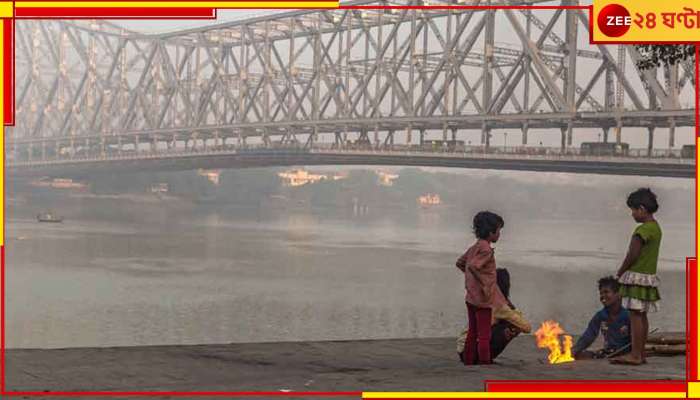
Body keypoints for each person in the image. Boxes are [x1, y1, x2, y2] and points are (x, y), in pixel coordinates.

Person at [611, 188, 662, 365]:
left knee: (635, 316)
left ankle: (635, 355)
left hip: (637, 276)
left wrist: (620, 272)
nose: (632, 214)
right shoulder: (656, 228)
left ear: (641, 208)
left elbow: (632, 255)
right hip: (648, 276)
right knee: (642, 315)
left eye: (633, 210)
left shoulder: (643, 230)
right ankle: (641, 354)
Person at [455, 211, 508, 365]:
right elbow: (473, 266)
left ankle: (469, 360)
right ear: (491, 232)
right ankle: (485, 362)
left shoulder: (474, 247)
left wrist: (471, 280)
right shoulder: (486, 250)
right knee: (484, 334)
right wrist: (483, 283)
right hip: (483, 299)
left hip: (470, 297)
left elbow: (461, 263)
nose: (499, 235)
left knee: (472, 331)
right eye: (498, 231)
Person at [456, 268, 531, 363]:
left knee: (504, 323)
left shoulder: (485, 299)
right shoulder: (499, 306)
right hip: (471, 350)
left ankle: (483, 356)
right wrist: (511, 306)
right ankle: (484, 357)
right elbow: (527, 327)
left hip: (463, 350)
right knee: (512, 326)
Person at [572, 276, 631, 360]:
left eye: (606, 292)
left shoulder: (628, 316)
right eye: (601, 293)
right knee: (579, 355)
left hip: (626, 352)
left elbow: (636, 339)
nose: (603, 296)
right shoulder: (600, 315)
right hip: (608, 352)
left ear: (618, 294)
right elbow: (589, 335)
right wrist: (575, 350)